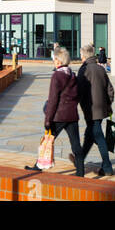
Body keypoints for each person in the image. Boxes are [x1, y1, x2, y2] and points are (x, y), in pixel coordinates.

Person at [27, 46, 82, 177]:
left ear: (57, 60)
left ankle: (37, 167)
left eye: (54, 59)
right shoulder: (72, 75)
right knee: (76, 145)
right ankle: (81, 173)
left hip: (59, 116)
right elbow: (77, 95)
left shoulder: (57, 75)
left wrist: (47, 120)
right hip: (72, 115)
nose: (53, 61)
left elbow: (53, 100)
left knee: (47, 141)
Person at [76, 43, 115, 177]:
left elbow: (78, 91)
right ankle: (79, 159)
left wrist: (78, 105)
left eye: (81, 55)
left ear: (84, 56)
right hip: (101, 108)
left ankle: (107, 166)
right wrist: (108, 104)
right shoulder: (100, 69)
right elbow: (110, 90)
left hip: (90, 110)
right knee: (90, 134)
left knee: (98, 136)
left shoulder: (83, 70)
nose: (80, 57)